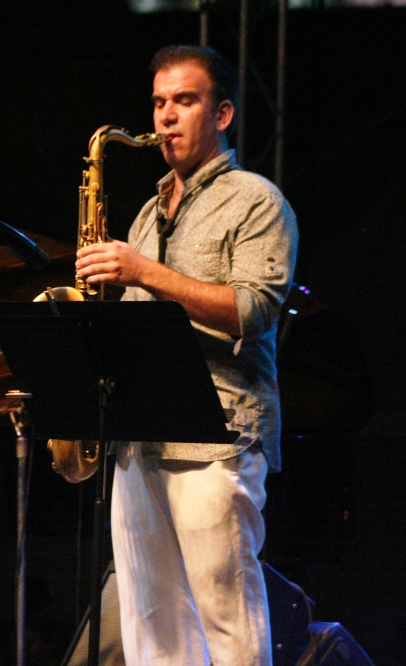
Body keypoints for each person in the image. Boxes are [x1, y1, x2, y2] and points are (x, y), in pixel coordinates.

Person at [75, 45, 298, 665]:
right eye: (158, 103)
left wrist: (142, 271)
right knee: (153, 635)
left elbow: (253, 310)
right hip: (139, 439)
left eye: (184, 101)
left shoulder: (257, 201)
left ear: (222, 114)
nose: (166, 116)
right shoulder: (149, 212)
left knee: (231, 631)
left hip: (215, 438)